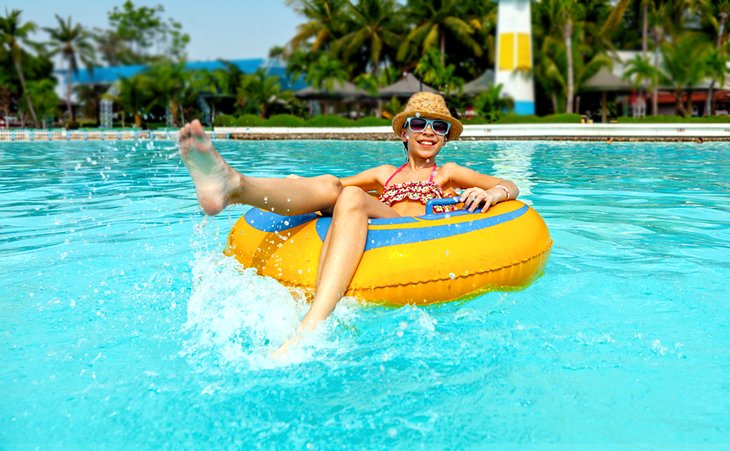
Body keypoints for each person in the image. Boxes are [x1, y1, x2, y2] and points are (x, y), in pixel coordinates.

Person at [178, 92, 519, 354]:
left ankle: (312, 324)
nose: (428, 133)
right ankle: (235, 187)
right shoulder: (385, 174)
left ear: (446, 138)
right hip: (375, 217)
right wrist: (299, 183)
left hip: (409, 230)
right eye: (418, 124)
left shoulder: (448, 173)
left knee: (352, 197)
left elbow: (510, 185)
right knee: (330, 185)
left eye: (438, 127)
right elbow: (334, 188)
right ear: (404, 133)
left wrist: (495, 194)